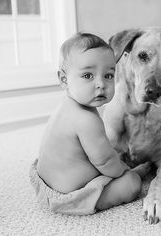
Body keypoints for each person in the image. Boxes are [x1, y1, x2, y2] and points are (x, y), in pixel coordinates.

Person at [29, 32, 149, 215]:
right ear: (64, 79)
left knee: (106, 151)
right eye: (87, 75)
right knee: (131, 182)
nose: (101, 84)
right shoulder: (86, 120)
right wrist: (123, 170)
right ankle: (89, 202)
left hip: (47, 180)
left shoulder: (66, 106)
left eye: (108, 75)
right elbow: (105, 160)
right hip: (70, 194)